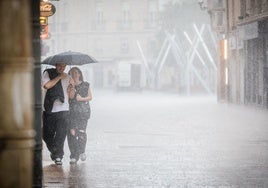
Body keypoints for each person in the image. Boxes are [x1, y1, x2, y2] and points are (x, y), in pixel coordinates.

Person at [42, 62, 74, 165]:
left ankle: (58, 157)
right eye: (60, 65)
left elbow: (71, 96)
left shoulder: (68, 77)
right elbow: (46, 85)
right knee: (46, 134)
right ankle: (55, 152)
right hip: (49, 109)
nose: (62, 68)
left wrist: (72, 88)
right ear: (55, 65)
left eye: (64, 66)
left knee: (61, 134)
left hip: (64, 109)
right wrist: (59, 77)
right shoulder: (48, 73)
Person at [67, 67, 92, 164]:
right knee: (72, 133)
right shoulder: (69, 85)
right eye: (72, 73)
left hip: (83, 112)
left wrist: (81, 99)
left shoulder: (86, 85)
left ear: (80, 74)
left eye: (76, 72)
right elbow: (70, 97)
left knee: (81, 132)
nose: (74, 74)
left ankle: (82, 151)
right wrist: (72, 86)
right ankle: (74, 155)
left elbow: (90, 97)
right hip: (72, 112)